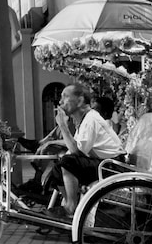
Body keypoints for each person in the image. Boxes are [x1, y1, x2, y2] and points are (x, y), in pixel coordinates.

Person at [49, 83, 125, 218]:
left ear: (80, 101)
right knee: (58, 167)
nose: (60, 102)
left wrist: (62, 126)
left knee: (68, 162)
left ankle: (71, 207)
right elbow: (75, 147)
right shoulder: (84, 120)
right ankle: (70, 203)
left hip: (111, 166)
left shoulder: (91, 119)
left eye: (65, 97)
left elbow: (76, 152)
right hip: (101, 163)